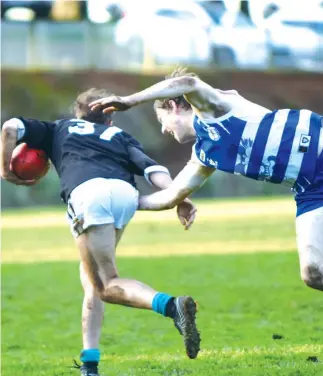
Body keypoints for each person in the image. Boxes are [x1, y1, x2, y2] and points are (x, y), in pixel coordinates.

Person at [90, 68, 323, 304]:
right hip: (314, 189)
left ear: (173, 107)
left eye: (162, 122)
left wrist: (130, 100)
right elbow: (170, 196)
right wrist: (120, 199)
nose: (164, 130)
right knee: (315, 273)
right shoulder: (205, 155)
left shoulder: (214, 110)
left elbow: (189, 82)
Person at [0, 88, 201, 376]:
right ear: (109, 119)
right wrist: (180, 197)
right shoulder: (119, 136)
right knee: (92, 280)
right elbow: (151, 169)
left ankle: (171, 306)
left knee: (107, 285)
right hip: (124, 194)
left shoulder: (59, 128)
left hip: (88, 195)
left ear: (77, 114)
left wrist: (6, 171)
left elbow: (10, 127)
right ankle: (89, 364)